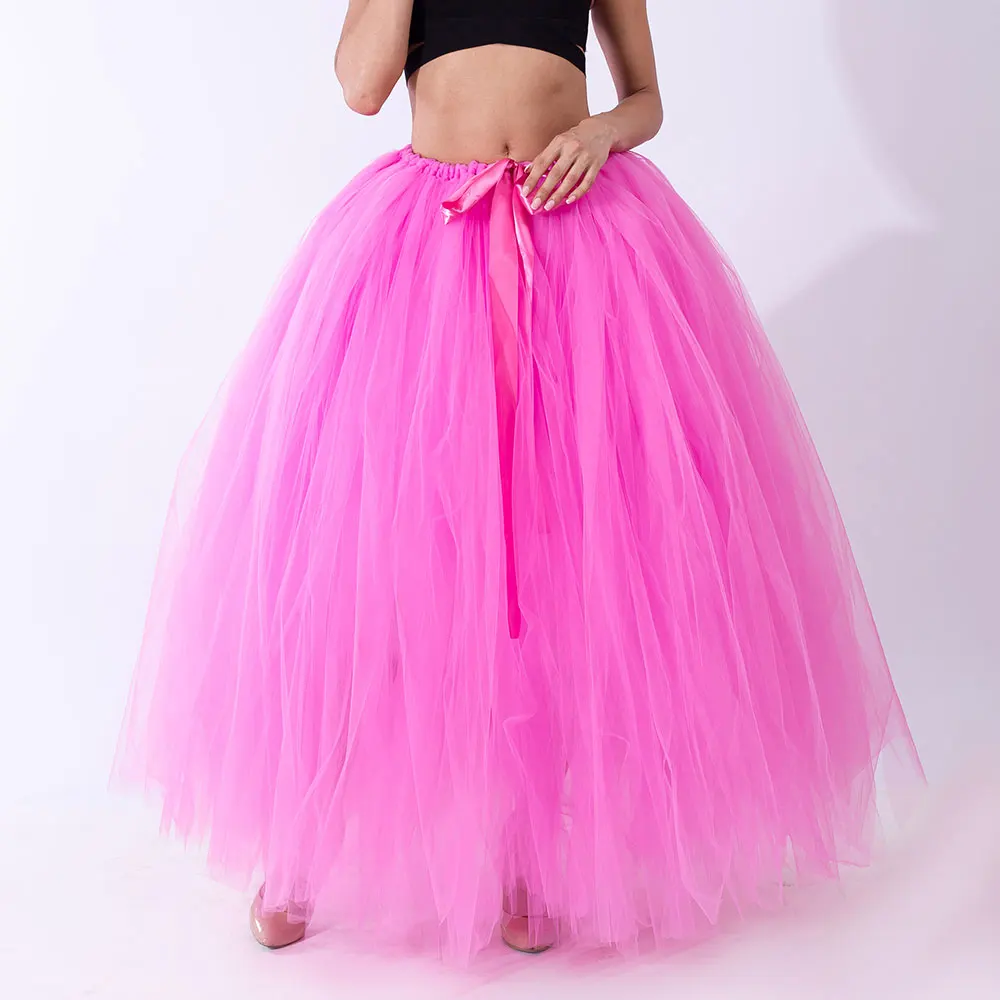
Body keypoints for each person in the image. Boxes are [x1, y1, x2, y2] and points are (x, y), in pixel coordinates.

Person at [112, 0, 924, 961]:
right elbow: (362, 87)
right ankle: (305, 843)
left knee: (554, 555)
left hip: (577, 246)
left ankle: (528, 851)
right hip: (430, 252)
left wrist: (599, 133)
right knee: (386, 558)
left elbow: (647, 98)